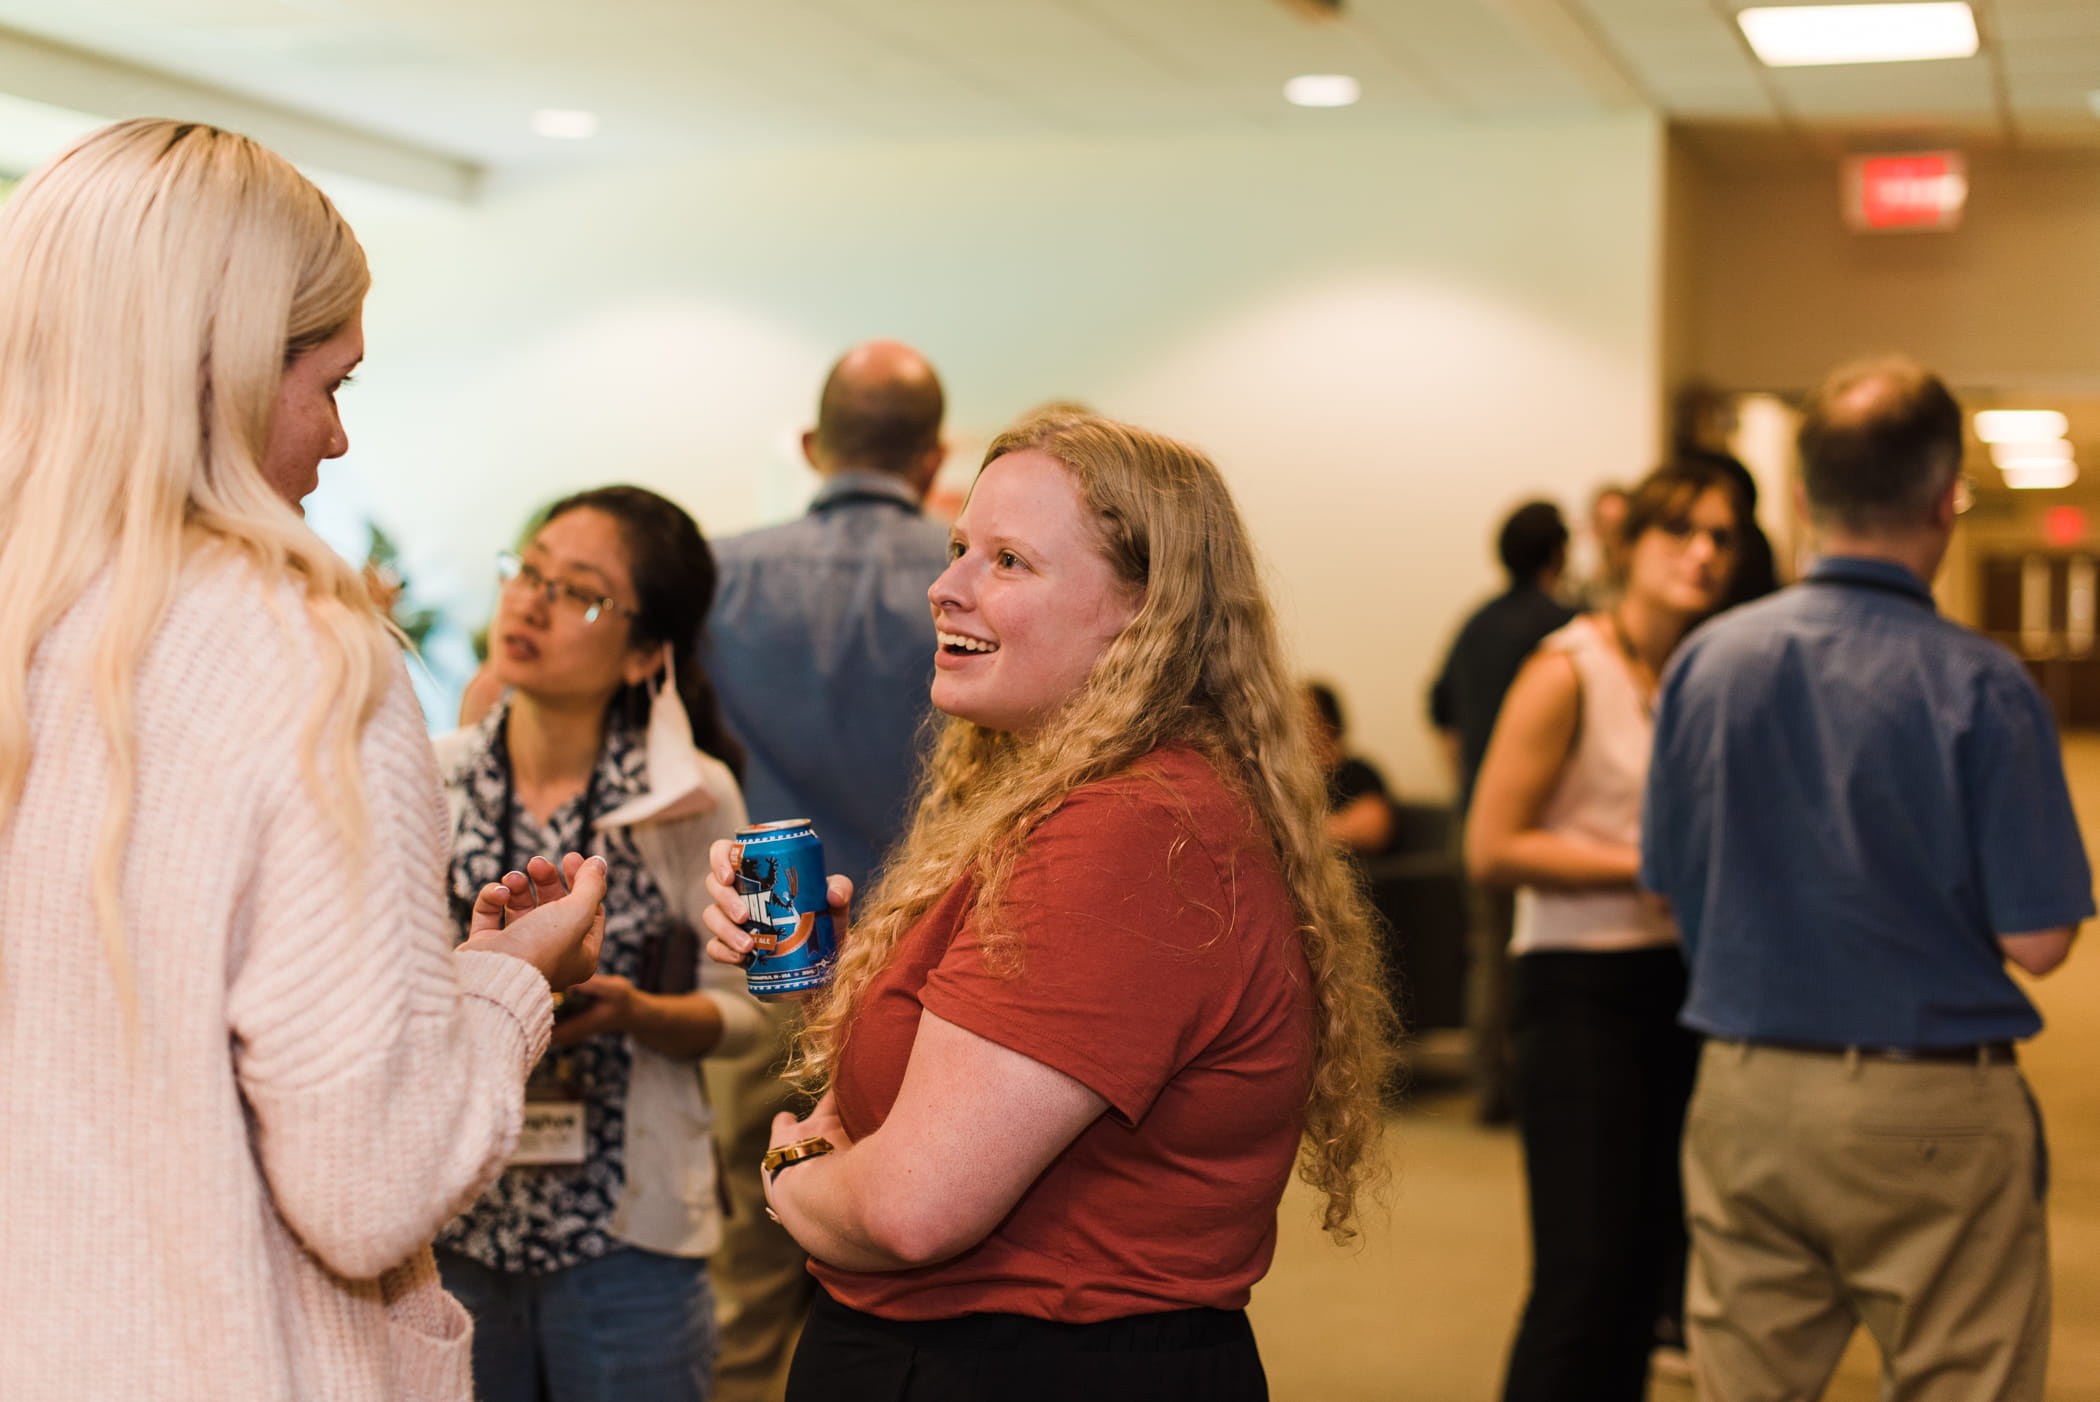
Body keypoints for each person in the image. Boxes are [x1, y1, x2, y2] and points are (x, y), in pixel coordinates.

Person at [0, 119, 606, 1402]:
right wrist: (499, 988)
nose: (335, 442)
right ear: (212, 373)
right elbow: (366, 1184)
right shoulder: (303, 660)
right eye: (330, 383)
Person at [701, 412, 1396, 1402]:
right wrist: (845, 980)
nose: (945, 587)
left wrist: (796, 1168)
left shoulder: (1129, 835)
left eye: (1009, 561)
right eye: (958, 551)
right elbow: (959, 1092)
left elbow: (912, 1206)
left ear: (1140, 613)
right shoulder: (1089, 801)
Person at [1643, 357, 2090, 1401]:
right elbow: (2040, 940)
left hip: (1743, 1089)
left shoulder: (1707, 663)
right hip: (1926, 1102)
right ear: (1948, 501)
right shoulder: (1982, 682)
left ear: (1801, 500)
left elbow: (1665, 884)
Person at [432, 486, 770, 1402]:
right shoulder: (433, 777)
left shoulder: (690, 798)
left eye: (577, 592)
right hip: (455, 1218)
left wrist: (641, 1013)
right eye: (526, 571)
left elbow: (747, 1013)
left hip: (633, 1237)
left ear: (644, 654)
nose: (529, 601)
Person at [700, 340, 955, 1402]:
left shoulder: (712, 575)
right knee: (933, 1277)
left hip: (772, 956)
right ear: (938, 455)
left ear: (811, 445)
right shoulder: (975, 571)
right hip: (948, 979)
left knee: (752, 1282)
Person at [1465, 459, 1744, 1402]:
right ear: (1627, 546)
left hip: (1682, 982)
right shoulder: (1567, 667)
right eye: (1681, 532)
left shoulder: (1707, 673)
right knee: (1581, 1276)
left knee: (1646, 1262)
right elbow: (1491, 846)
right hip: (1578, 987)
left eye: (1722, 536)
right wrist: (1647, 865)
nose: (1702, 554)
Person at [1428, 500, 1577, 1123]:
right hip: (1545, 825)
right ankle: (1544, 1085)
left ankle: (1491, 1088)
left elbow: (1440, 711)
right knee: (1546, 957)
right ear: (1557, 553)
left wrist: (1472, 772)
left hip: (1474, 816)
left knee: (1489, 954)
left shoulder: (1475, 623)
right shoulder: (1569, 629)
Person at [1305, 680, 1396, 855]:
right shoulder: (1295, 781)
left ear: (1328, 723)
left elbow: (1375, 829)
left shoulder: (1359, 772)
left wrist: (1298, 832)